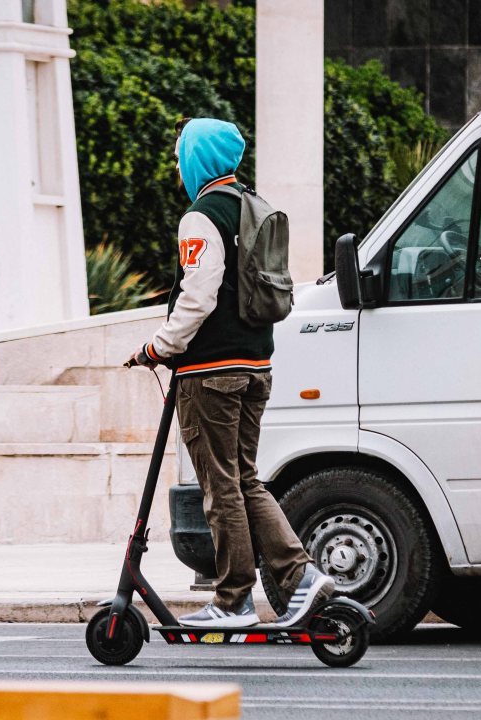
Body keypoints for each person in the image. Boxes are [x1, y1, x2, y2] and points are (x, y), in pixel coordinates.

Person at [130, 118, 333, 629]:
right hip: (255, 367)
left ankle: (233, 601)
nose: (179, 165)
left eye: (181, 155)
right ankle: (302, 578)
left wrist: (159, 346)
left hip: (210, 374)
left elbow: (198, 294)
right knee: (245, 481)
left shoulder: (202, 216)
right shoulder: (251, 206)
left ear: (197, 159)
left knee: (221, 487)